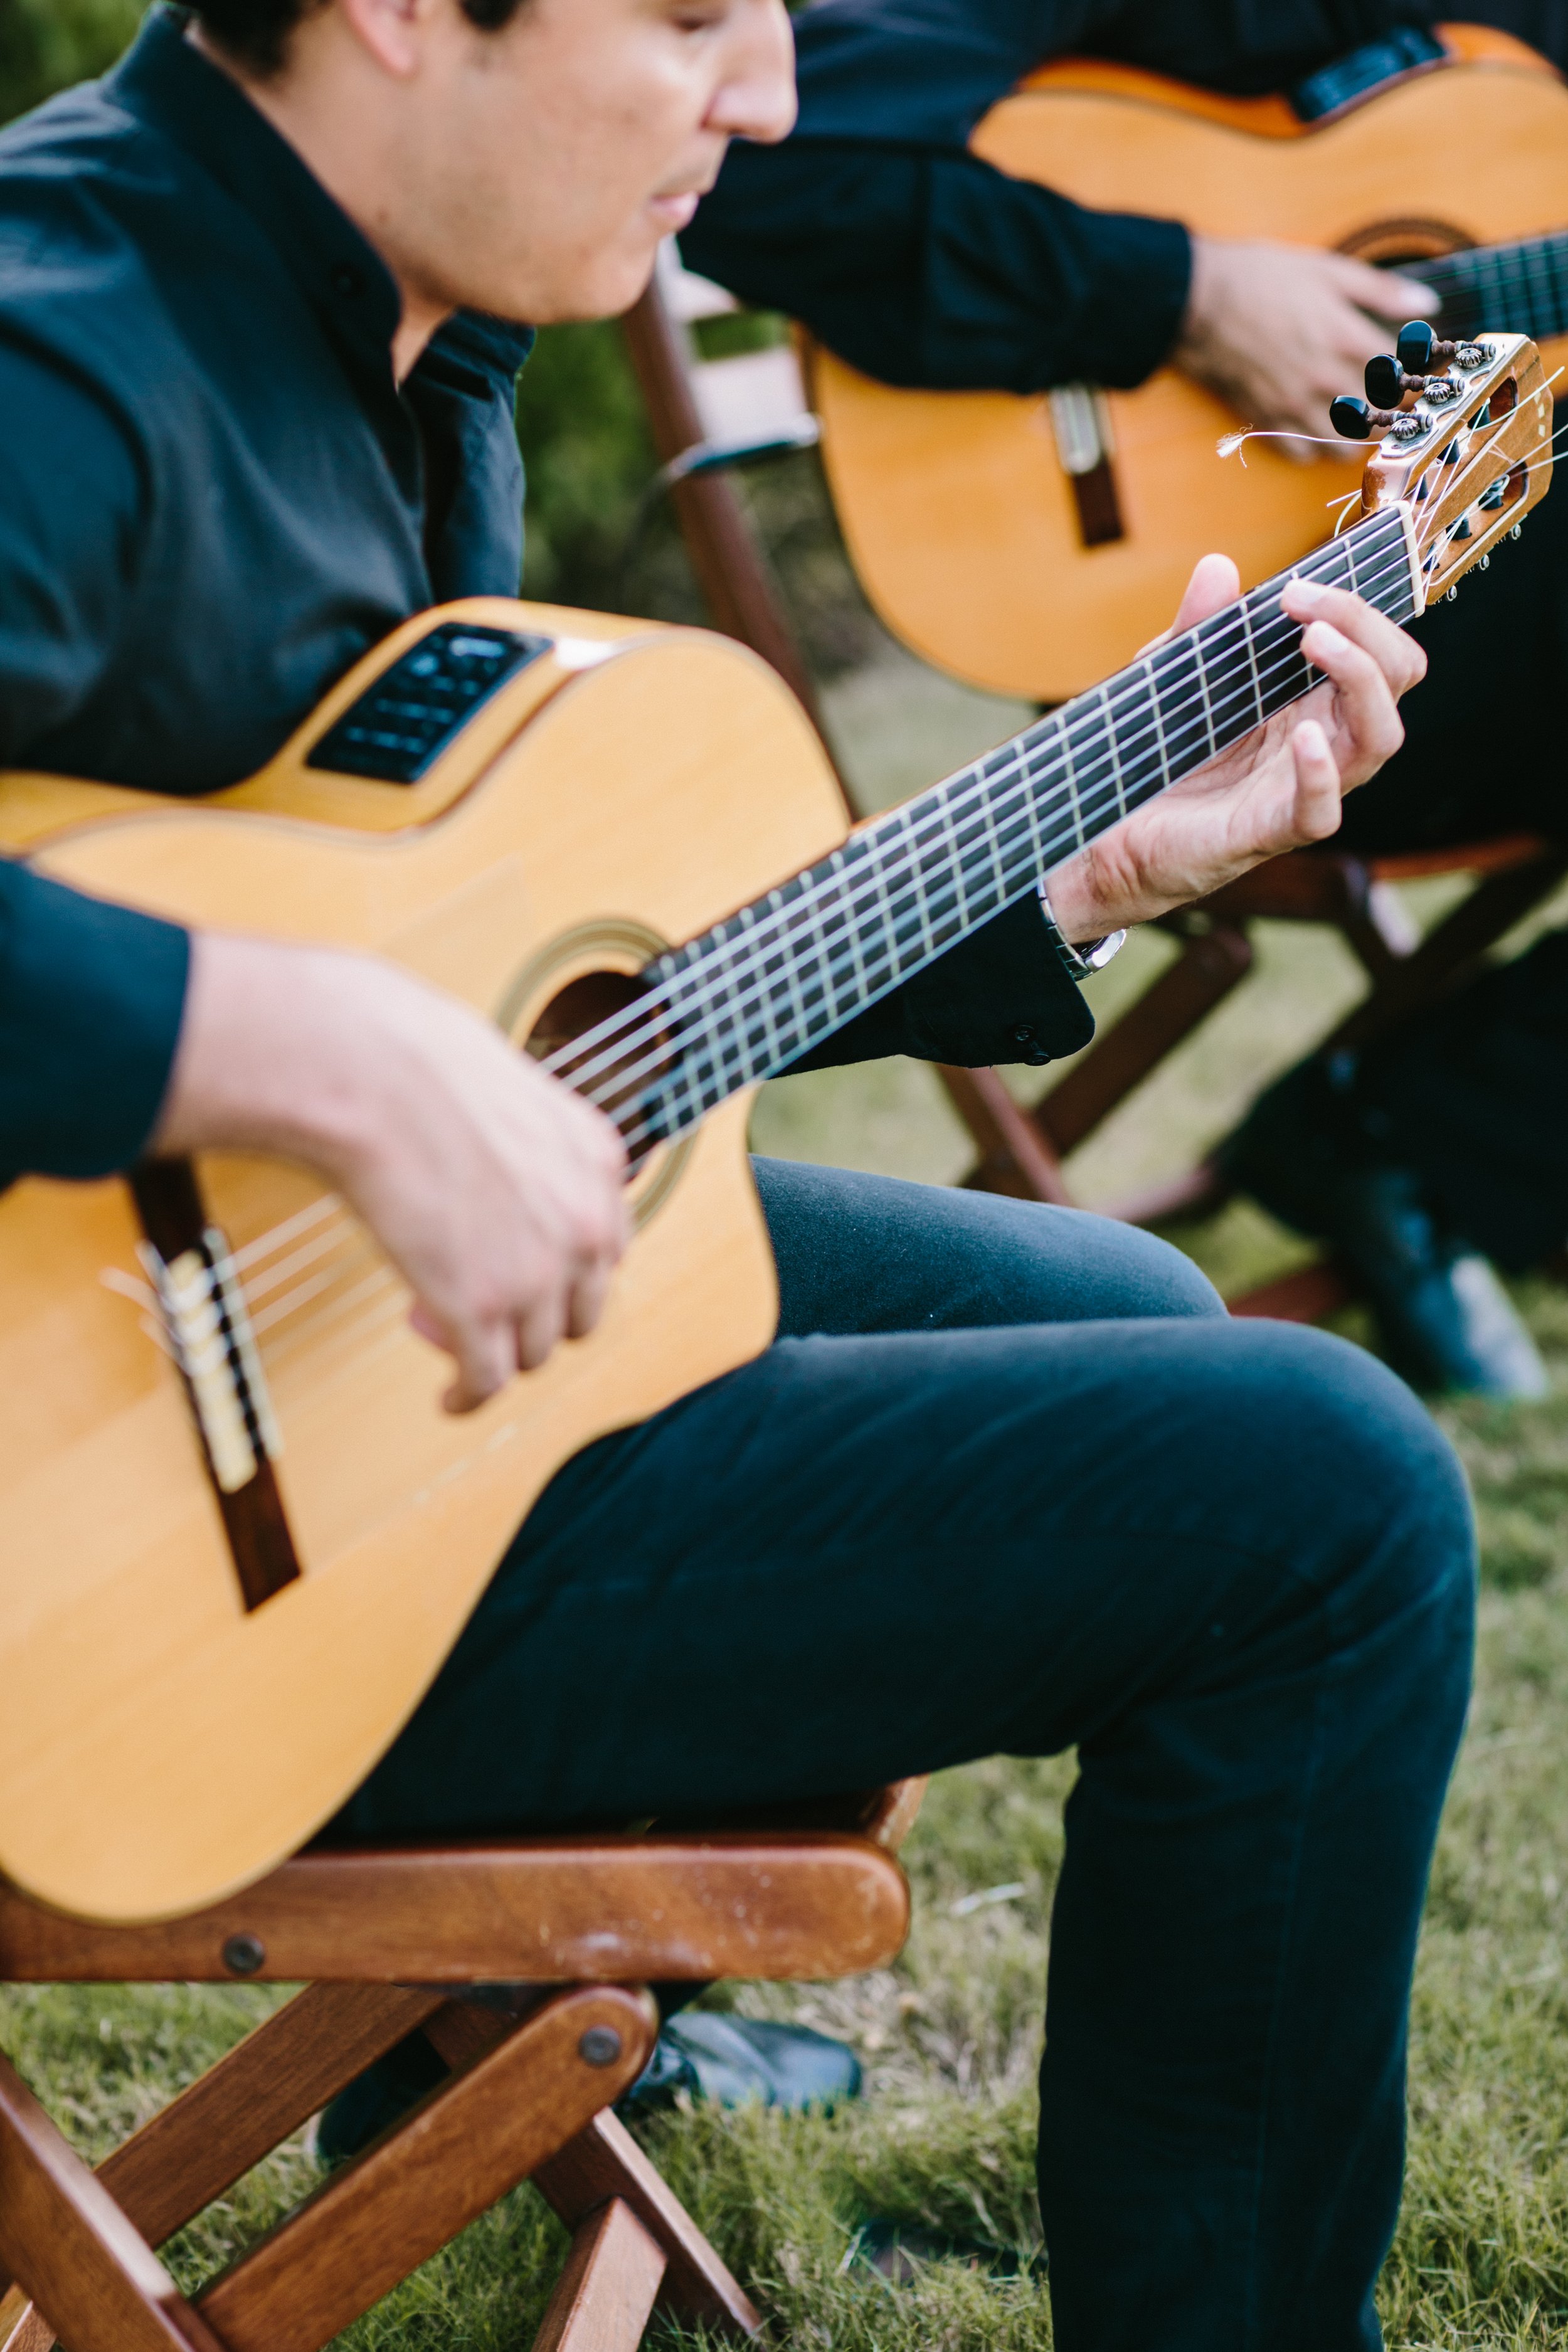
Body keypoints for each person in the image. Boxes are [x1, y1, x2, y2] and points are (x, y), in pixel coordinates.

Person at [0, 3, 1471, 2344]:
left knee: (1140, 1326)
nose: (772, 99)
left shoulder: (407, 333)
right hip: (106, 1585)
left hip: (360, 1396)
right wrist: (330, 1060)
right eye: (690, 18)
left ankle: (466, 2069)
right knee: (1327, 1499)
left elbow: (563, 995)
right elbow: (385, 1032)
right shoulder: (65, 347)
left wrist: (1088, 873)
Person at [681, 0, 1568, 1398]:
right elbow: (755, 163)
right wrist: (1180, 291)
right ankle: (1423, 1142)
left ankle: (1418, 1135)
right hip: (1246, 635)